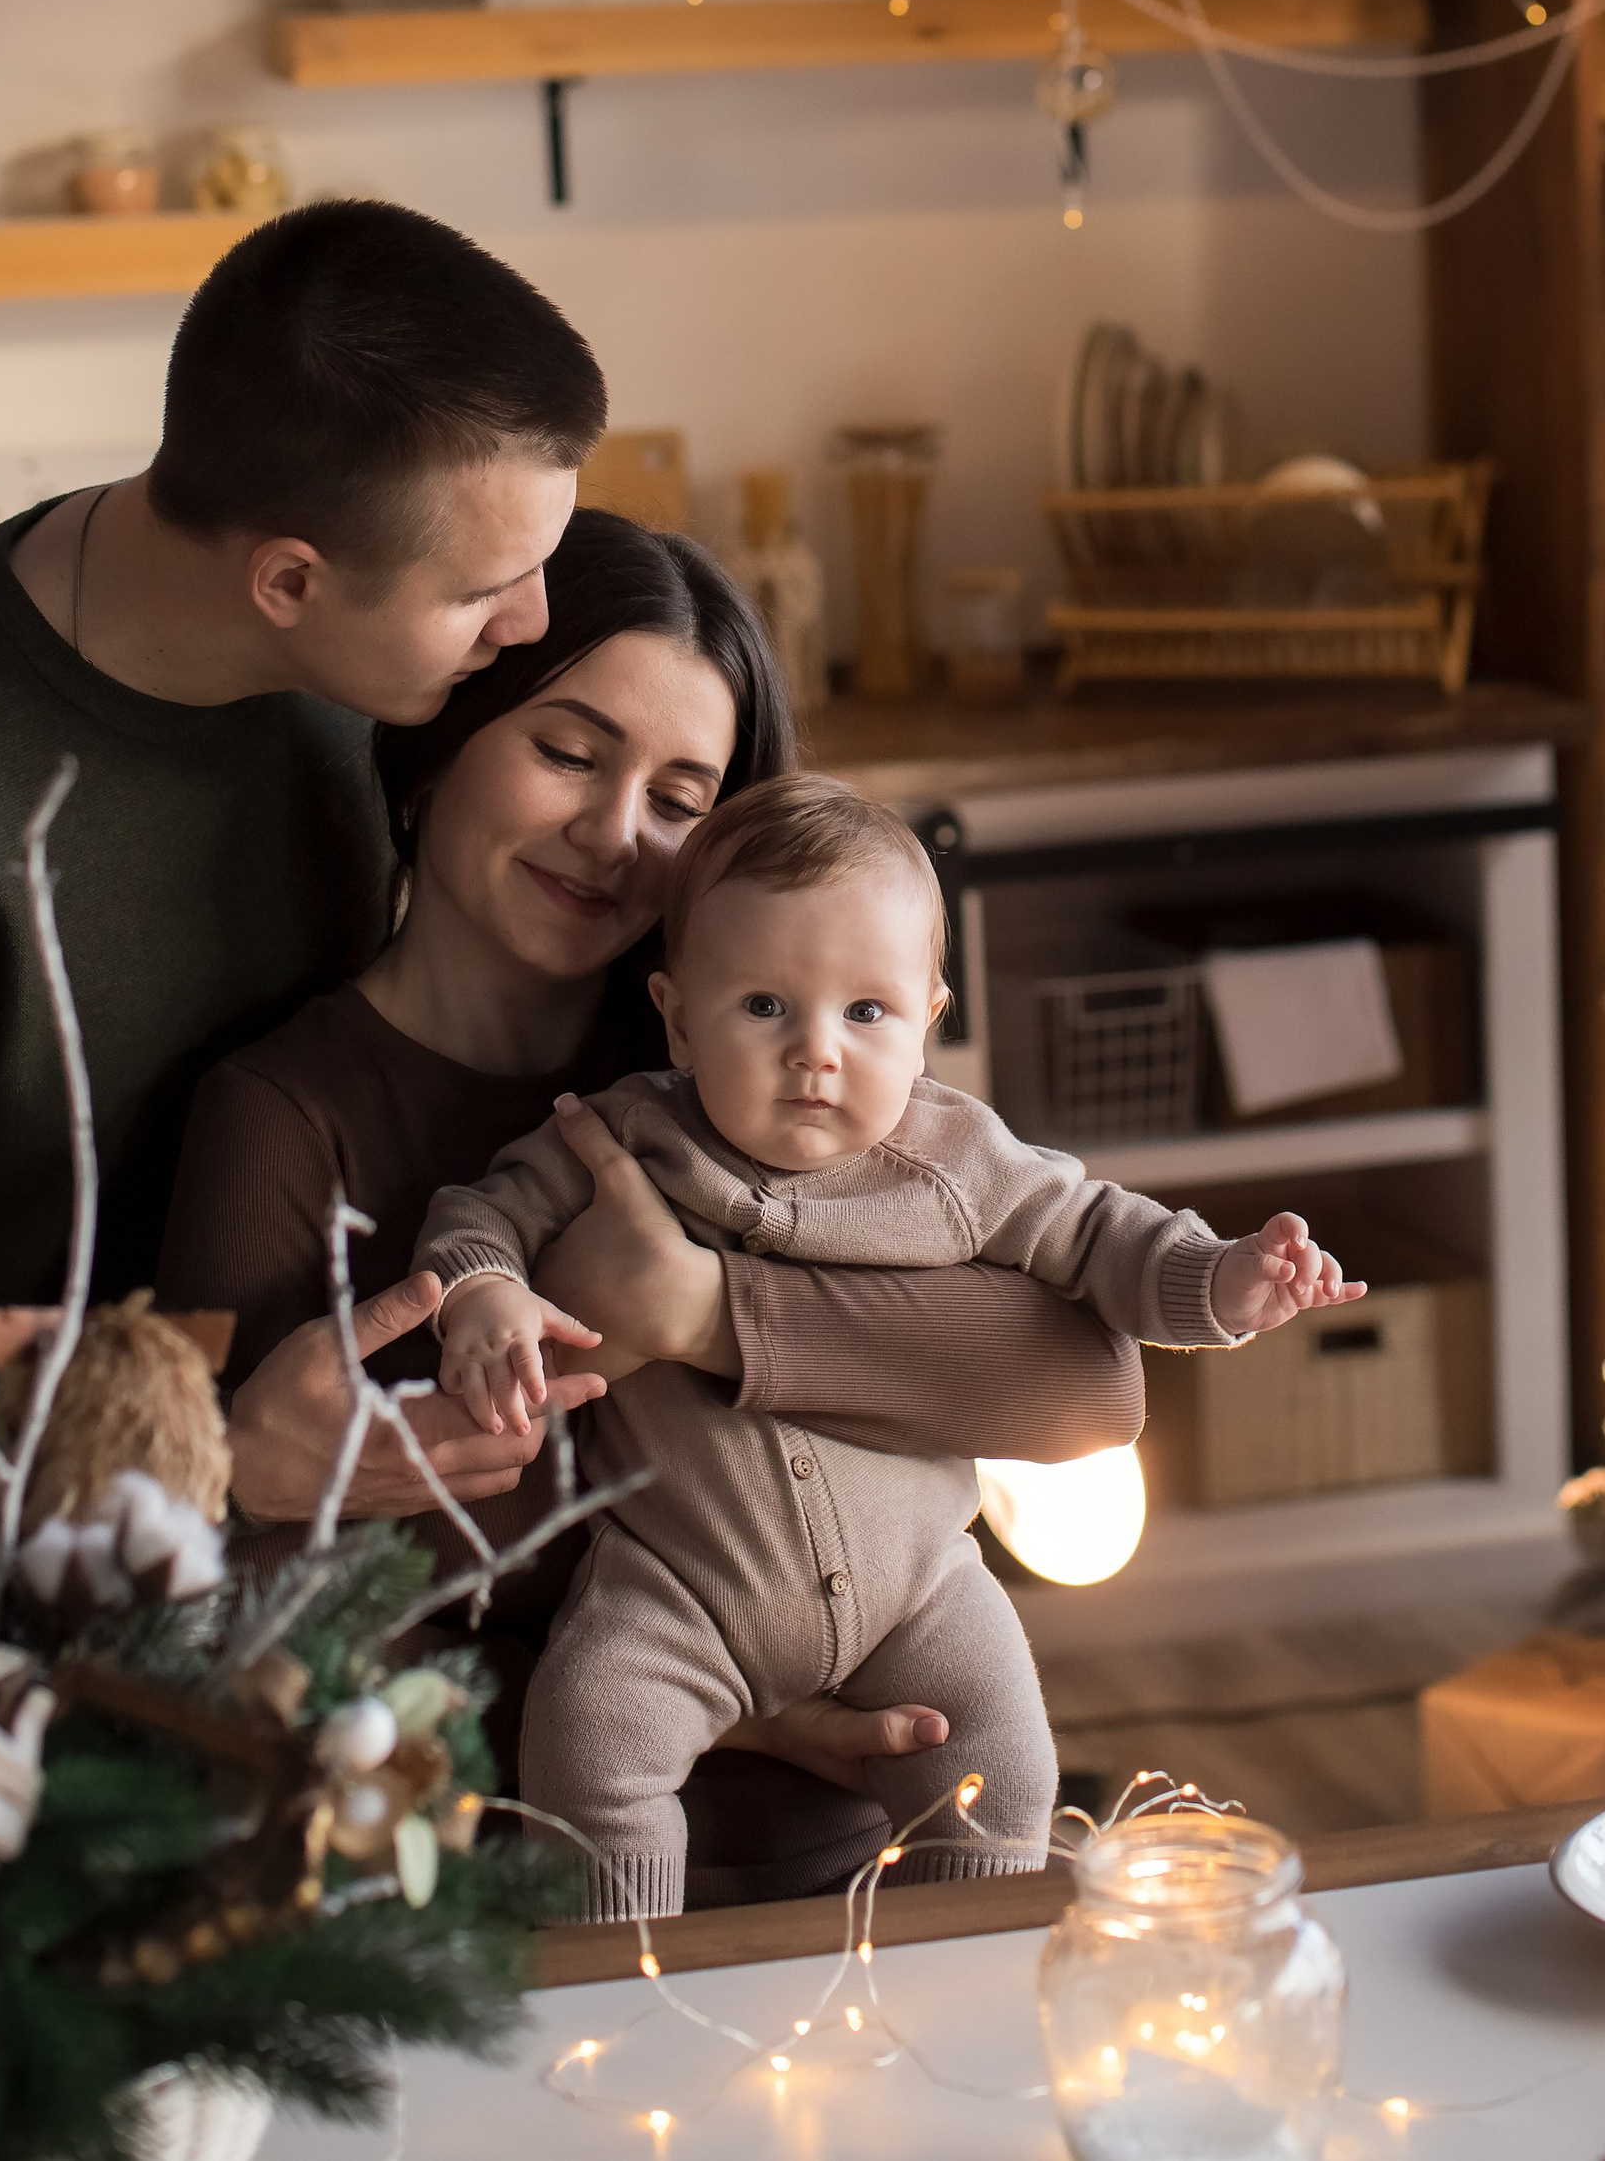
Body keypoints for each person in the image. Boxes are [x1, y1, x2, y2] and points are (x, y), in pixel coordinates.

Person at [156, 509, 1147, 1908]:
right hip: (483, 1894)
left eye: (682, 797)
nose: (618, 834)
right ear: (441, 735)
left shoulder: (767, 1067)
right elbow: (229, 1610)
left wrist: (698, 1309)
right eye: (568, 749)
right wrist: (730, 1696)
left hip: (850, 1848)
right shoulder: (281, 1115)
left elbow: (1088, 1394)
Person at [0, 197, 604, 1492]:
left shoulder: (379, 661)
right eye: (479, 591)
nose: (535, 620)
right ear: (285, 581)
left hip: (370, 1508)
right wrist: (216, 1461)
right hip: (4, 1608)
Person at [417, 770, 1363, 1919]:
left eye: (864, 1013)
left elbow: (1102, 1234)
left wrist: (1222, 1278)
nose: (815, 1052)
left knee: (1004, 1762)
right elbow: (483, 1210)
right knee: (592, 1744)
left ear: (928, 1017)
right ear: (676, 1013)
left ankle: (956, 1968)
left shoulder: (957, 1157)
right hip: (676, 1586)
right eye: (763, 1006)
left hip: (917, 1589)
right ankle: (626, 1984)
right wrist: (485, 1292)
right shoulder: (626, 1136)